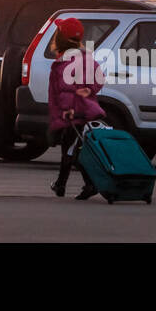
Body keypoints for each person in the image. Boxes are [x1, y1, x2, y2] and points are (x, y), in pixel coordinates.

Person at [47, 18, 105, 200]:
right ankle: (61, 185)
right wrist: (91, 90)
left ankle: (89, 184)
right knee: (71, 148)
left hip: (74, 112)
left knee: (72, 150)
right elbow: (99, 78)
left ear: (60, 38)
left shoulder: (65, 61)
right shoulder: (86, 58)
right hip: (84, 109)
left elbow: (64, 90)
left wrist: (66, 110)